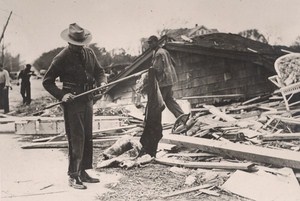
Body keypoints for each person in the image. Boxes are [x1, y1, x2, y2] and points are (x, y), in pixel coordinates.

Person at [43, 23, 107, 190]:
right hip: (72, 101)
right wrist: (62, 95)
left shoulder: (89, 52)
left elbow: (100, 71)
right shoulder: (61, 57)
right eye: (75, 45)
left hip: (87, 99)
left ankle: (83, 171)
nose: (79, 48)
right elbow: (47, 81)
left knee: (87, 137)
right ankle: (73, 175)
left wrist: (102, 82)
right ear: (69, 42)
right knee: (76, 137)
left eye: (81, 45)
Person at [147, 35, 184, 118]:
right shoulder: (164, 51)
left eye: (151, 43)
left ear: (156, 42)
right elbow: (173, 62)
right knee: (169, 100)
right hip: (170, 79)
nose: (149, 45)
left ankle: (153, 123)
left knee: (158, 103)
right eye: (148, 43)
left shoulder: (159, 54)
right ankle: (182, 117)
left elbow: (158, 69)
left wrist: (149, 74)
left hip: (164, 81)